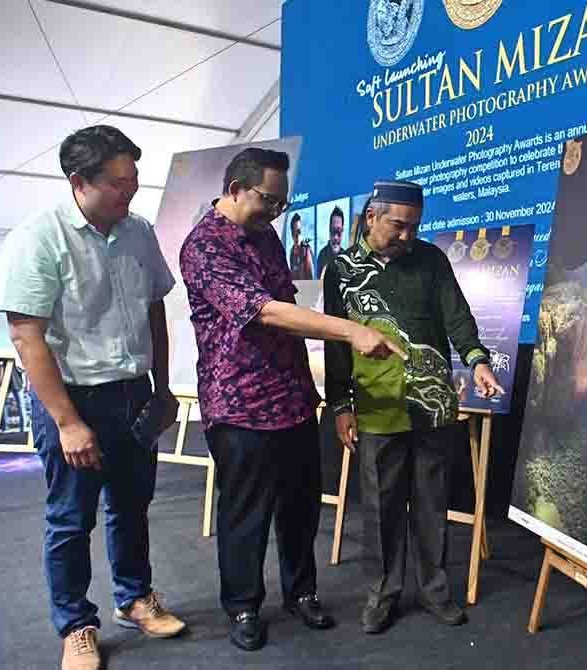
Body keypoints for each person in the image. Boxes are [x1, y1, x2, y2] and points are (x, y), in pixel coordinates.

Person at [178, 148, 405, 652]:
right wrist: (350, 330)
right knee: (246, 514)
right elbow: (266, 312)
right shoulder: (205, 247)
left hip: (292, 397)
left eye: (282, 203)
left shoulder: (266, 236)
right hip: (240, 404)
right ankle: (242, 605)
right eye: (268, 200)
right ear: (235, 188)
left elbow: (290, 305)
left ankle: (301, 592)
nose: (276, 212)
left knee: (301, 506)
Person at [0, 125, 186, 670]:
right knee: (70, 519)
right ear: (79, 181)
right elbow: (27, 336)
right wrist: (66, 422)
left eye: (134, 181)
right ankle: (76, 625)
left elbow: (155, 309)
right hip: (72, 400)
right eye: (118, 183)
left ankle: (134, 598)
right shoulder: (38, 237)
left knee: (132, 507)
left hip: (132, 395)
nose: (130, 193)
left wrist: (164, 386)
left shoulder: (139, 231)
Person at [324, 179, 505, 634]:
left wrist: (477, 362)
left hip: (432, 407)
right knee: (381, 507)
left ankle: (434, 590)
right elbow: (335, 345)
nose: (408, 237)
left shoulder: (432, 260)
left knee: (431, 501)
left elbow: (457, 318)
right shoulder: (342, 270)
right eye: (398, 227)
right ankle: (382, 594)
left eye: (414, 227)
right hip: (376, 405)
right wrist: (340, 406)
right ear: (371, 217)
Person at [315, 206, 345, 279]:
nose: (335, 237)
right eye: (333, 231)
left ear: (343, 231)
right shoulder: (322, 255)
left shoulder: (346, 257)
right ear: (329, 230)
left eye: (338, 231)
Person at [288, 213, 314, 280]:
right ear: (291, 234)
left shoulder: (307, 250)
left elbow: (310, 278)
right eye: (294, 232)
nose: (297, 235)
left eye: (299, 231)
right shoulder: (291, 252)